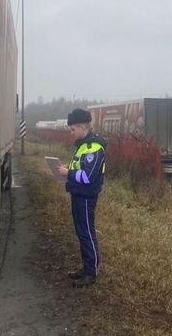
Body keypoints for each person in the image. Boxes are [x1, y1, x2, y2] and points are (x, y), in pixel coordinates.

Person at [65, 108, 107, 287]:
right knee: (81, 233)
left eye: (73, 129)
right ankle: (87, 267)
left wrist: (67, 173)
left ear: (83, 127)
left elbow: (87, 176)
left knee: (87, 233)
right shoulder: (83, 145)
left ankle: (91, 272)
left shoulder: (93, 148)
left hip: (86, 196)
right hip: (78, 194)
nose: (71, 132)